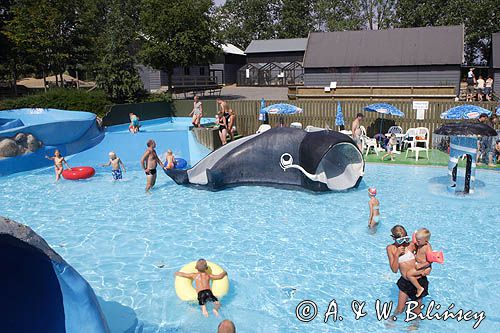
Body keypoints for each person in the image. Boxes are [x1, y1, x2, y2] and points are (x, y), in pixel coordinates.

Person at [386, 225, 430, 317]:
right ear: (393, 238)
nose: (403, 243)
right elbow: (394, 270)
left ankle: (414, 328)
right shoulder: (391, 248)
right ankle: (391, 322)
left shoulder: (411, 245)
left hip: (418, 281)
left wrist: (428, 266)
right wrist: (397, 255)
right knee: (400, 308)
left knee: (417, 311)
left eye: (406, 239)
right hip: (405, 282)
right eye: (400, 241)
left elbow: (426, 253)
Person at [402, 228, 433, 298]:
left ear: (426, 241)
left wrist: (423, 266)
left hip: (422, 267)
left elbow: (430, 260)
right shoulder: (421, 243)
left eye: (418, 241)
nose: (416, 243)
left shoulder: (428, 248)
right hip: (418, 264)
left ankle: (419, 288)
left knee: (409, 274)